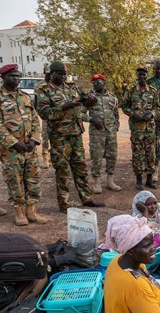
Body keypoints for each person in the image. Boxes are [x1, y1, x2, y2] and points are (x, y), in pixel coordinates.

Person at [36, 61, 104, 213]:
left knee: (80, 168)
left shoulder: (71, 88)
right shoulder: (44, 91)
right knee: (62, 171)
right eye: (59, 74)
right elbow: (44, 113)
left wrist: (90, 99)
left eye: (64, 74)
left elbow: (85, 100)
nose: (62, 77)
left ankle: (87, 198)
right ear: (51, 73)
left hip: (75, 134)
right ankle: (64, 204)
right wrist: (63, 107)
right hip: (59, 137)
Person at [0, 64, 47, 225]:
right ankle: (20, 212)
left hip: (29, 147)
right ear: (3, 77)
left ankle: (32, 211)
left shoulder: (25, 96)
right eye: (12, 76)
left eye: (17, 75)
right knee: (14, 181)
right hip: (11, 150)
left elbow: (35, 119)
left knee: (33, 179)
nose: (16, 79)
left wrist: (35, 139)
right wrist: (14, 143)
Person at [122, 66, 160, 190]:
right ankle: (139, 179)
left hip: (149, 128)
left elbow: (158, 107)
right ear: (137, 76)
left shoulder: (153, 91)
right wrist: (133, 114)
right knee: (137, 154)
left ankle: (149, 179)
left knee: (151, 153)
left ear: (147, 76)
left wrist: (152, 114)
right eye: (140, 75)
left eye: (144, 75)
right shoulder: (131, 90)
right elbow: (124, 106)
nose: (142, 77)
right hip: (136, 128)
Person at [85, 73, 121, 194]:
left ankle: (110, 181)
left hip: (110, 132)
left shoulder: (112, 97)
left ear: (104, 83)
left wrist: (116, 126)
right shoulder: (89, 97)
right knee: (96, 157)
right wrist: (91, 119)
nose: (96, 84)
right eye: (94, 82)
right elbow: (80, 113)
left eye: (99, 82)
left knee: (112, 156)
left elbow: (116, 113)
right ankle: (96, 182)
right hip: (97, 133)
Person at [33, 63, 51, 168]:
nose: (49, 75)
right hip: (45, 115)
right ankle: (45, 159)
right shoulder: (39, 85)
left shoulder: (56, 84)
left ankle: (53, 158)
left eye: (51, 73)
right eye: (47, 73)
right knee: (45, 137)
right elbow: (36, 101)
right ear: (44, 73)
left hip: (56, 115)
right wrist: (36, 113)